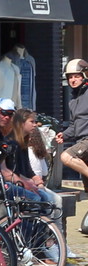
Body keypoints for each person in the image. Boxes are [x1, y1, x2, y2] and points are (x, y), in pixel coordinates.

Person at [55, 59, 88, 194]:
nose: (73, 80)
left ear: (84, 76)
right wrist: (65, 135)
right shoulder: (73, 100)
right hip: (81, 142)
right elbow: (74, 125)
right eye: (70, 77)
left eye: (76, 76)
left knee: (66, 156)